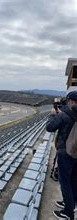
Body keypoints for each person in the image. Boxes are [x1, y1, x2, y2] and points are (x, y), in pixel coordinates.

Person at [46, 91, 77, 219]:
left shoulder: (65, 115)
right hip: (76, 152)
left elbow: (49, 127)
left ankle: (68, 213)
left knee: (65, 182)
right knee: (74, 182)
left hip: (65, 152)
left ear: (72, 101)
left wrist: (53, 115)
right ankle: (70, 204)